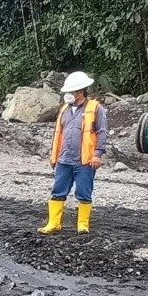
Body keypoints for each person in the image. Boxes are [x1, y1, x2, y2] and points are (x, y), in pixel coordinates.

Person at [38, 71, 107, 235]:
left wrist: (97, 154)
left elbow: (102, 132)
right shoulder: (64, 110)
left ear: (80, 92)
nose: (67, 95)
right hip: (64, 160)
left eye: (71, 92)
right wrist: (54, 156)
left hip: (84, 160)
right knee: (57, 191)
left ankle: (82, 224)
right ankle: (53, 223)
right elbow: (58, 133)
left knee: (84, 192)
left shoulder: (95, 109)